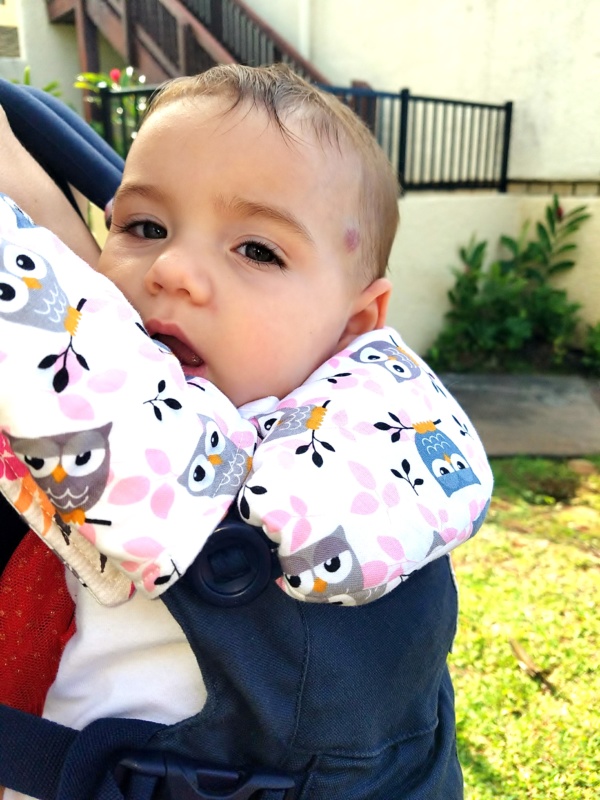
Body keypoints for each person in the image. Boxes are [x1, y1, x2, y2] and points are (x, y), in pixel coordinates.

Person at [0, 64, 493, 800]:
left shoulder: (276, 474)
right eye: (142, 226)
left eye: (257, 249)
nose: (171, 270)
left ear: (352, 325)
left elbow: (45, 342)